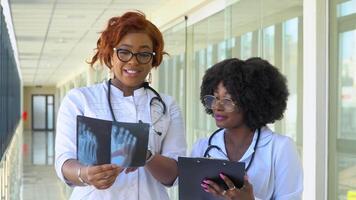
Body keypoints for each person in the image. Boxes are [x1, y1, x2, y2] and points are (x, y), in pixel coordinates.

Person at [55, 11, 186, 200]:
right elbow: (64, 162)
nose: (133, 61)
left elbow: (175, 173)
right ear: (110, 55)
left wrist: (144, 154)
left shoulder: (167, 105)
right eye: (124, 51)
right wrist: (85, 174)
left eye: (144, 53)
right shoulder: (79, 99)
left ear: (153, 59)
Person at [191, 57, 303, 200]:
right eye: (214, 98)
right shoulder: (202, 147)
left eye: (227, 100)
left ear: (250, 102)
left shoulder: (281, 148)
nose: (217, 107)